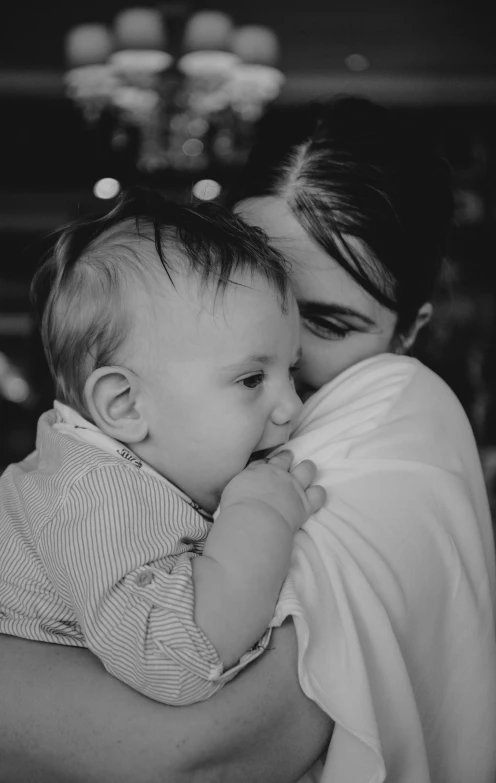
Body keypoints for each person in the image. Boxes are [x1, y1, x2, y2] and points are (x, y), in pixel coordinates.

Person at [0, 97, 496, 783]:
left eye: (322, 323)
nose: (275, 348)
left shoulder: (393, 412)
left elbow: (192, 753)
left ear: (408, 329)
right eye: (250, 295)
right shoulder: (107, 467)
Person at [0, 190, 325, 706]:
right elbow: (176, 660)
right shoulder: (92, 499)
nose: (292, 407)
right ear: (126, 405)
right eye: (249, 380)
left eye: (292, 372)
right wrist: (259, 516)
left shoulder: (137, 468)